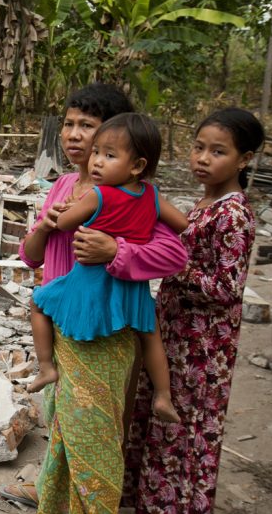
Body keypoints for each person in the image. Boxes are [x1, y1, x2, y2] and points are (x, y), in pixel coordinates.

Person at [0, 84, 188, 514]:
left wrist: (116, 253)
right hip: (65, 322)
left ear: (123, 145)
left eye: (90, 128)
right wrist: (42, 227)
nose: (75, 136)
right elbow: (32, 256)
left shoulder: (136, 198)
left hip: (104, 329)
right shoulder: (64, 187)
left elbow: (173, 253)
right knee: (62, 427)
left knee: (95, 436)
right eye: (69, 123)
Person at [118, 107, 263, 514]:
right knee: (162, 431)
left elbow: (225, 288)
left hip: (203, 349)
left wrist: (169, 263)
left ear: (244, 159)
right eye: (199, 147)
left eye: (218, 151)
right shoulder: (204, 206)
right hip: (177, 338)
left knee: (183, 439)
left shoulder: (234, 215)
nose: (203, 158)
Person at [29, 113, 188, 425]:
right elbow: (182, 223)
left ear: (137, 165)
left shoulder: (98, 195)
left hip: (92, 285)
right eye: (97, 153)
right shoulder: (152, 195)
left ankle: (46, 365)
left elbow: (63, 224)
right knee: (151, 336)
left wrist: (64, 212)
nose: (96, 162)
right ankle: (163, 395)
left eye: (109, 155)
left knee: (38, 303)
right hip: (133, 289)